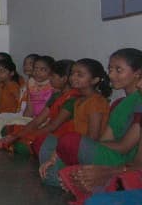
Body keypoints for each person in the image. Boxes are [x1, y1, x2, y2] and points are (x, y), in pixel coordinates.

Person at [38, 56, 119, 187]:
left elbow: (93, 137)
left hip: (88, 148)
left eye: (79, 75)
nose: (73, 77)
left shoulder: (95, 101)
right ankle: (64, 174)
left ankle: (72, 178)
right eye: (72, 73)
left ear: (94, 80)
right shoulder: (80, 100)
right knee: (49, 140)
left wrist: (60, 153)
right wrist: (59, 152)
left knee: (50, 177)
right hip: (76, 144)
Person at [0, 59, 78, 155]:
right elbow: (38, 120)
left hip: (60, 136)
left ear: (63, 79)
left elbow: (53, 126)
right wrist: (16, 135)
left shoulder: (72, 99)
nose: (49, 78)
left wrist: (24, 136)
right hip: (46, 129)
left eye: (52, 76)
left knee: (21, 146)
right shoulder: (56, 95)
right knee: (8, 130)